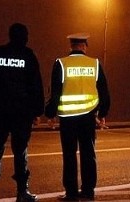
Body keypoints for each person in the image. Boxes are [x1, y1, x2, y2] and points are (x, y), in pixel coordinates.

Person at [0, 23, 44, 202]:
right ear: (25, 37)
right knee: (20, 151)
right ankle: (22, 192)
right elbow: (36, 86)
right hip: (21, 114)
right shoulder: (28, 56)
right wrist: (38, 111)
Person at [45, 33, 111, 201]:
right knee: (88, 153)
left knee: (69, 155)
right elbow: (104, 91)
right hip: (88, 116)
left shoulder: (61, 63)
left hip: (67, 118)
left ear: (71, 46)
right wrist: (102, 114)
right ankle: (88, 191)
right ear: (84, 46)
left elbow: (56, 92)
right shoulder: (94, 63)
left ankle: (71, 192)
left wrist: (50, 114)